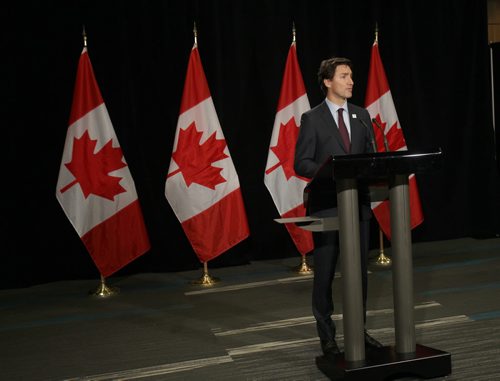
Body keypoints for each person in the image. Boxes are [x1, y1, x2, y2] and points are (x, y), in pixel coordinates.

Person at [294, 57, 382, 356]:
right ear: (328, 81)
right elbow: (301, 162)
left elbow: (371, 157)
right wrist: (332, 169)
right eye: (344, 76)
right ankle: (327, 336)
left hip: (357, 205)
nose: (351, 81)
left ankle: (359, 330)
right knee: (326, 274)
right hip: (327, 207)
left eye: (352, 75)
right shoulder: (312, 118)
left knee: (359, 273)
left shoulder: (362, 116)